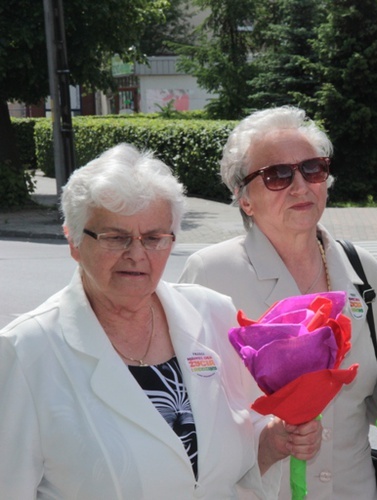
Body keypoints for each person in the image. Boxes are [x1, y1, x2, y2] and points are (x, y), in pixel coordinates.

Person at [0, 143, 322, 499]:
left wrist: (274, 441)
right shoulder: (25, 351)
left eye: (154, 238)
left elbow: (232, 465)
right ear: (74, 241)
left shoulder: (213, 315)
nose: (136, 255)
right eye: (115, 237)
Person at [179, 105, 377, 499]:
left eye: (312, 169)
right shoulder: (211, 276)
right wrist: (265, 441)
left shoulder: (361, 271)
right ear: (244, 198)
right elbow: (186, 415)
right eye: (278, 175)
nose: (300, 186)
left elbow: (376, 409)